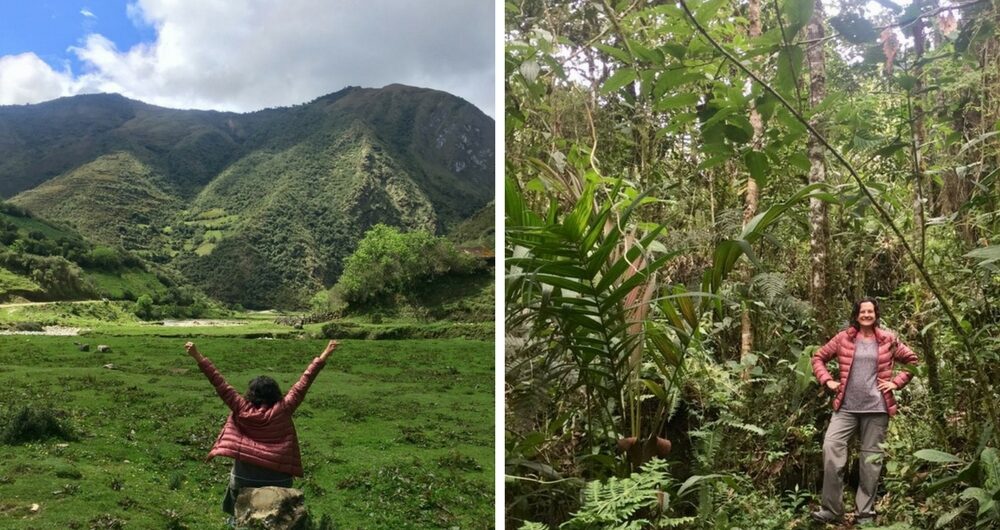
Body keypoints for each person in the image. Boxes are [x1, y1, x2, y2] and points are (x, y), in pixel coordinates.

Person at [184, 339, 338, 519]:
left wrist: (197, 355)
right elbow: (305, 381)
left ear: (250, 394)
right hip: (278, 481)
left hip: (243, 480)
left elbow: (219, 382)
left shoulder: (241, 407)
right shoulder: (284, 408)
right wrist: (325, 353)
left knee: (238, 517)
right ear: (276, 393)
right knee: (279, 520)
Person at [810, 298, 918, 525]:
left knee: (870, 461)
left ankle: (864, 513)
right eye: (863, 311)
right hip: (846, 408)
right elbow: (818, 357)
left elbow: (912, 361)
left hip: (877, 408)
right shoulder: (843, 338)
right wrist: (828, 381)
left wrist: (896, 383)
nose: (867, 314)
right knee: (831, 448)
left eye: (870, 311)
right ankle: (832, 510)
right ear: (856, 314)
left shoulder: (888, 339)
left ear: (876, 314)